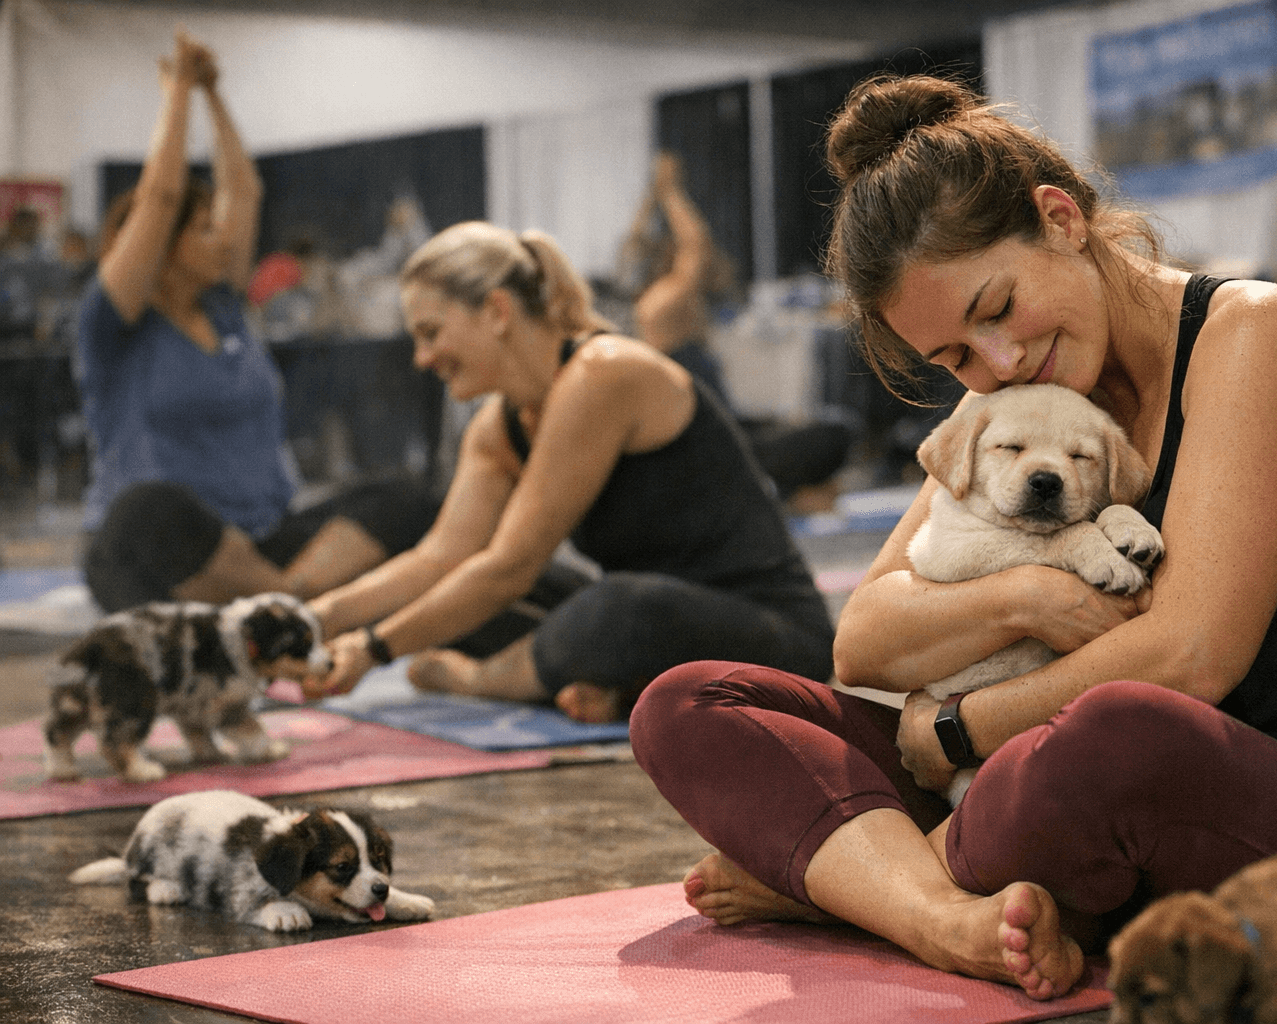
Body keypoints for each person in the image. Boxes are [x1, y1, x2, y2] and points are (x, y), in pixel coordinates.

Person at [628, 75, 1277, 1001]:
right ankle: (939, 911)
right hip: (1093, 794)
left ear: (1062, 218)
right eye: (956, 358)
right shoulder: (1022, 400)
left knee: (1116, 733)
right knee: (689, 701)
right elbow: (864, 637)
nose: (998, 364)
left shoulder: (1259, 334)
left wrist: (958, 726)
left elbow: (1189, 658)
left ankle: (847, 885)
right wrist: (1024, 598)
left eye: (998, 308)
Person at [301, 221, 835, 725]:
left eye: (431, 332)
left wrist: (375, 648)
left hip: (774, 638)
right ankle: (616, 683)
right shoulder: (496, 427)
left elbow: (509, 565)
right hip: (655, 624)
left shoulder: (601, 374)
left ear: (495, 310)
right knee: (464, 594)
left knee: (612, 607)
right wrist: (315, 621)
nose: (421, 357)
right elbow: (439, 558)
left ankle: (488, 679)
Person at [75, 31, 437, 614]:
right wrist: (178, 92)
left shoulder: (223, 309)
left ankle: (282, 604)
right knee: (146, 510)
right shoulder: (111, 328)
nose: (220, 237)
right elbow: (161, 197)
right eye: (202, 229)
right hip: (170, 547)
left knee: (407, 499)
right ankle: (291, 607)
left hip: (263, 542)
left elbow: (243, 188)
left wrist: (215, 96)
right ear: (157, 252)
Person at [621, 152, 852, 508]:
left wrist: (654, 196)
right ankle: (785, 497)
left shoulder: (683, 311)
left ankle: (788, 495)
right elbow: (694, 244)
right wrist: (670, 192)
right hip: (714, 450)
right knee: (833, 436)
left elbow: (646, 245)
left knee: (834, 430)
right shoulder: (660, 307)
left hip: (730, 434)